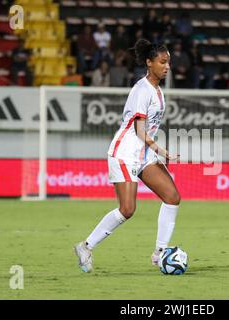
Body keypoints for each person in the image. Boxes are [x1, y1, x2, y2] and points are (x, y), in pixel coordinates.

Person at [74, 39, 181, 273]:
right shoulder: (141, 90)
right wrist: (161, 151)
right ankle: (85, 246)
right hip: (124, 153)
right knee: (127, 209)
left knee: (172, 197)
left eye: (169, 62)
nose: (167, 67)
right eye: (163, 62)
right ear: (149, 62)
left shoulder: (158, 91)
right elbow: (139, 130)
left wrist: (154, 153)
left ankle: (160, 252)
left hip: (143, 155)